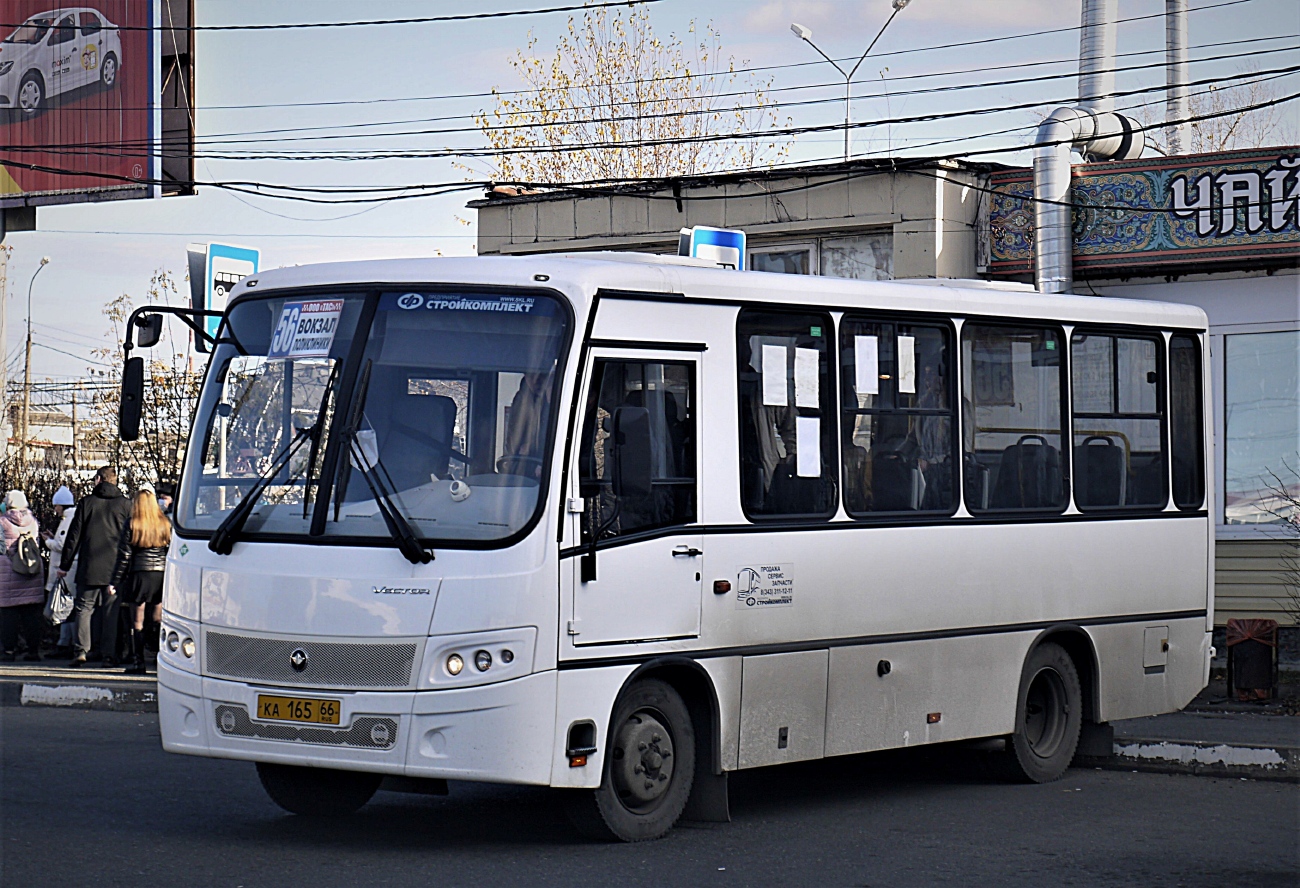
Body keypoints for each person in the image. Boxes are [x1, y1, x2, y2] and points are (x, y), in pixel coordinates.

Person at [57, 467, 133, 668]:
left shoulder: (86, 503)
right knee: (110, 611)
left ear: (99, 479)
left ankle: (82, 650)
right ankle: (109, 654)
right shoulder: (126, 505)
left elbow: (74, 536)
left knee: (84, 608)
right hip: (115, 569)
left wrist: (64, 564)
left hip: (90, 566)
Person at [111, 483, 170, 675]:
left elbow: (124, 556)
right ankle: (163, 659)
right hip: (160, 575)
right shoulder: (164, 523)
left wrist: (115, 581)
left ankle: (138, 662)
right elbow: (169, 551)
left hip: (139, 574)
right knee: (158, 619)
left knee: (137, 621)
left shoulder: (132, 523)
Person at [0, 490, 46, 662]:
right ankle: (33, 650)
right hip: (31, 572)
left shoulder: (2, 522)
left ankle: (9, 650)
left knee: (8, 615)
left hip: (8, 573)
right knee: (31, 614)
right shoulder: (32, 521)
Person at [43, 485, 78, 657]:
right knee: (67, 607)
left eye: (56, 505)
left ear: (62, 505)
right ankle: (67, 642)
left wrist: (48, 542)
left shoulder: (68, 519)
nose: (55, 509)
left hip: (65, 570)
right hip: (69, 568)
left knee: (64, 606)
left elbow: (63, 545)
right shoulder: (72, 517)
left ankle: (65, 643)